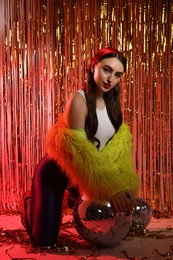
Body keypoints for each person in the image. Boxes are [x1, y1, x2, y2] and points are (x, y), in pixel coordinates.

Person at [21, 47, 139, 247]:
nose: (111, 78)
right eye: (106, 70)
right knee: (44, 241)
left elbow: (118, 154)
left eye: (118, 74)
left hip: (89, 176)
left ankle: (71, 198)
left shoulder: (114, 107)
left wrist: (124, 185)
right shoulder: (79, 101)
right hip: (57, 172)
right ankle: (29, 203)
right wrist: (112, 188)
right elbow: (81, 153)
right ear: (93, 67)